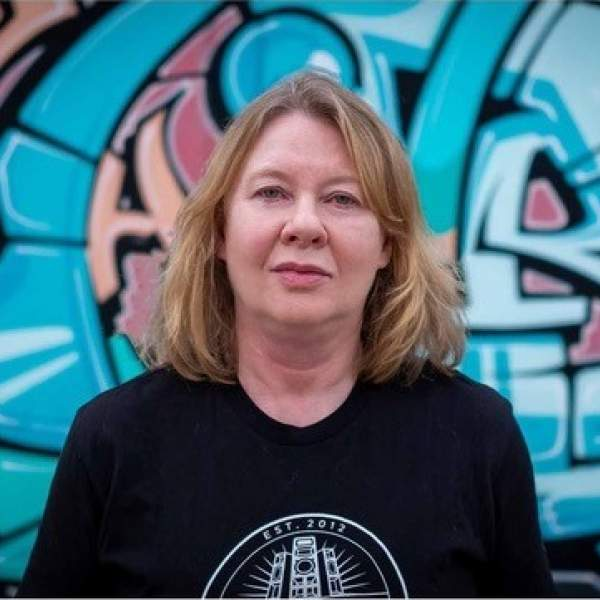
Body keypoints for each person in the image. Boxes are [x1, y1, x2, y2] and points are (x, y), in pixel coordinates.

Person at [17, 71, 556, 598]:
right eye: (272, 192)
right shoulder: (112, 440)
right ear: (220, 232)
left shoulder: (478, 436)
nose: (304, 225)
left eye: (342, 199)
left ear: (387, 245)